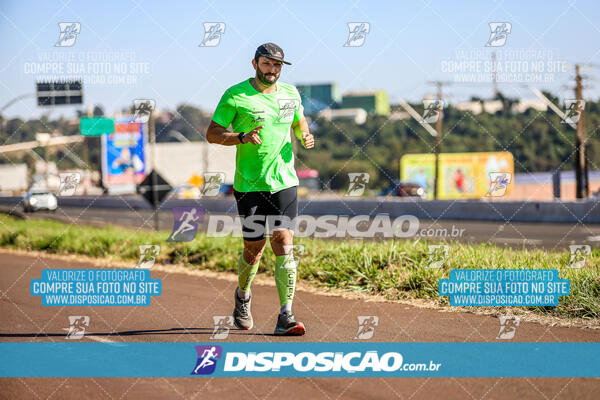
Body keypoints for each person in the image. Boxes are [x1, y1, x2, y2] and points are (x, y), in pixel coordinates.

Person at [206, 43, 314, 336]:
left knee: (283, 239)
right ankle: (243, 296)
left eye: (277, 65)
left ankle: (286, 315)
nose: (272, 70)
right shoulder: (236, 94)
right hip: (249, 184)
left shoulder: (291, 94)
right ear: (255, 63)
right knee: (254, 249)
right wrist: (240, 137)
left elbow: (298, 120)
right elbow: (212, 133)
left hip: (284, 180)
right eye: (267, 64)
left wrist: (304, 133)